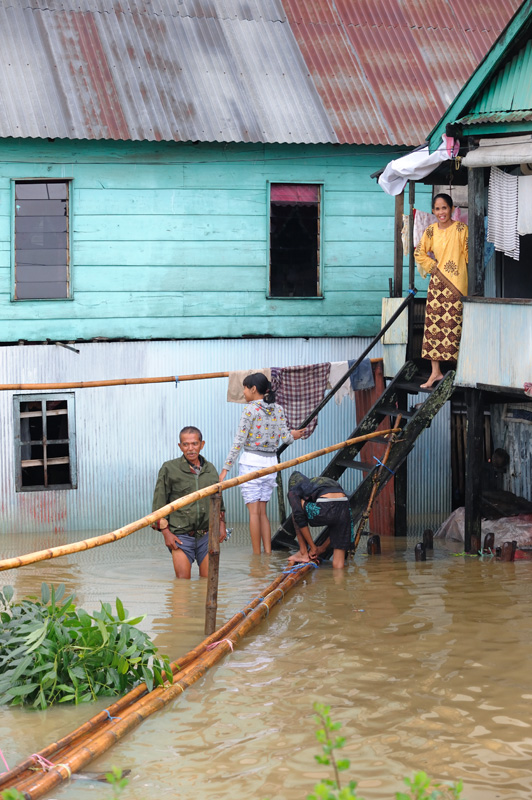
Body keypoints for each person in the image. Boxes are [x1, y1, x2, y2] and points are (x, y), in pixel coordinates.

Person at [219, 373, 302, 554]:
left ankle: (257, 558)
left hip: (251, 463)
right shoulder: (278, 409)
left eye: (245, 388)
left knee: (254, 513)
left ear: (253, 389)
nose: (244, 392)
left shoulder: (250, 410)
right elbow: (287, 439)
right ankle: (268, 554)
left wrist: (226, 468)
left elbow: (239, 441)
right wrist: (294, 435)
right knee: (263, 512)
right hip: (271, 464)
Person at [152, 426, 226, 579]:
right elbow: (159, 505)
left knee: (207, 581)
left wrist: (221, 524)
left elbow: (218, 500)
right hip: (180, 535)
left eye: (194, 444)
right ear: (180, 446)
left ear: (202, 444)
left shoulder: (210, 469)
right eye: (186, 444)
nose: (190, 448)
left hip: (207, 534)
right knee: (182, 584)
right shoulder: (169, 468)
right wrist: (166, 534)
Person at [414, 193, 468, 390]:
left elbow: (470, 254)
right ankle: (435, 372)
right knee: (433, 327)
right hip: (437, 284)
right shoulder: (430, 231)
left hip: (457, 284)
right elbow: (418, 253)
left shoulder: (462, 229)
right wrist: (433, 267)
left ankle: (459, 371)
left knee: (455, 327)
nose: (441, 212)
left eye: (444, 208)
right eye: (437, 209)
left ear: (452, 208)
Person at [285, 471, 352, 569]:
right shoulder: (313, 484)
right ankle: (339, 582)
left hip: (325, 506)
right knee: (338, 565)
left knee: (296, 512)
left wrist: (313, 548)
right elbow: (337, 525)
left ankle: (303, 553)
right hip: (344, 506)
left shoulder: (294, 490)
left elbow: (300, 518)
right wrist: (322, 548)